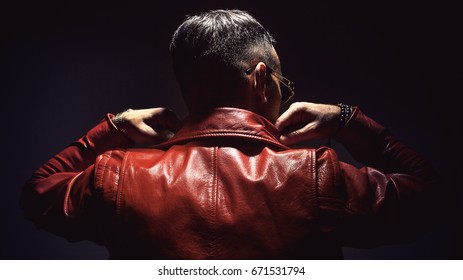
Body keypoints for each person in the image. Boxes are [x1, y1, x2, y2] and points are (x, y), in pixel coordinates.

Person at [20, 9, 446, 259]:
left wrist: (110, 130)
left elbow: (38, 192)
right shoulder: (317, 175)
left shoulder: (119, 175)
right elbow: (430, 197)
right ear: (262, 78)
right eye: (283, 82)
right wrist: (349, 119)